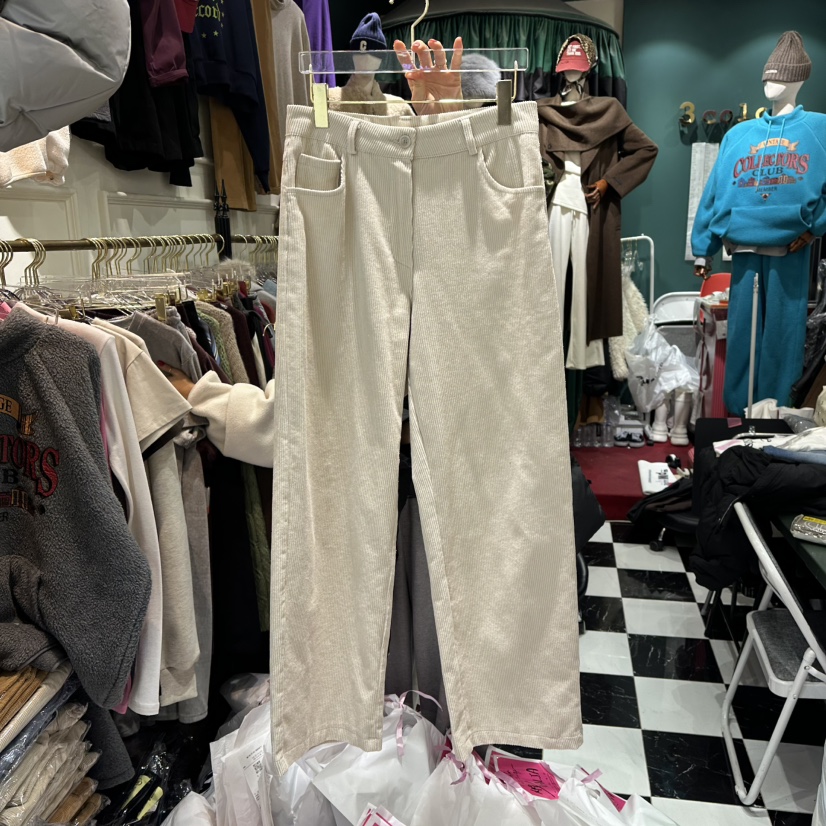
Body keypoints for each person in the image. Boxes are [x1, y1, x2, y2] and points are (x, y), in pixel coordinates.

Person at [159, 37, 467, 464]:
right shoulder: (355, 284)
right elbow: (296, 421)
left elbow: (294, 425)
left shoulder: (420, 268)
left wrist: (447, 140)